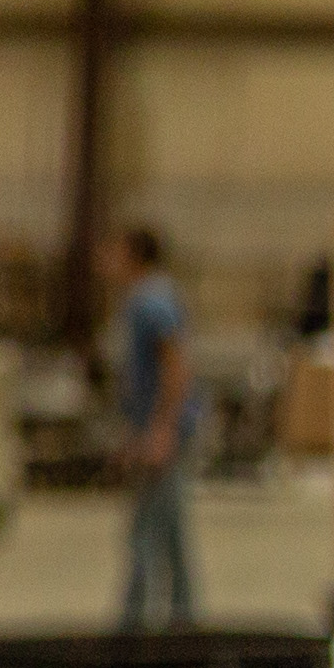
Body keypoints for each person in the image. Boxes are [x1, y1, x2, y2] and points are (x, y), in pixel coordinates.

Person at [116, 221, 203, 629]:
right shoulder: (153, 296)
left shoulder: (150, 302)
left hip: (165, 433)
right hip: (161, 430)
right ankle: (182, 620)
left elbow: (175, 366)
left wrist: (161, 431)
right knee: (169, 532)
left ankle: (133, 626)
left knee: (147, 533)